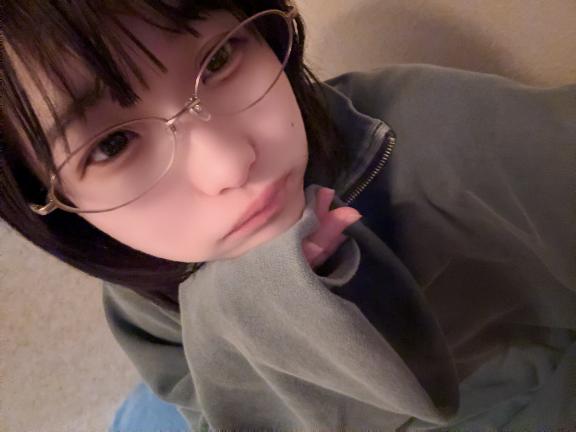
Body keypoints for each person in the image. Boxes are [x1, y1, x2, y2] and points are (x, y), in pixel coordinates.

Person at [1, 1, 574, 431]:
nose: (229, 165)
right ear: (51, 209)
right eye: (114, 145)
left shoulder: (445, 140)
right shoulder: (137, 295)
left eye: (219, 59)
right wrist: (257, 299)